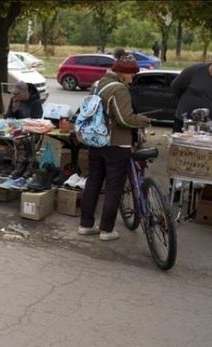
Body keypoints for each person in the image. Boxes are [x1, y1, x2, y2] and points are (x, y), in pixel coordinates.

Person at [79, 54, 151, 241]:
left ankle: (86, 225)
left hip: (95, 141)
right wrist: (143, 120)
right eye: (131, 74)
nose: (133, 78)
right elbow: (125, 119)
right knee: (114, 187)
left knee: (93, 182)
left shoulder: (97, 84)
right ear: (122, 73)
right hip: (116, 144)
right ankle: (106, 230)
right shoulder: (119, 89)